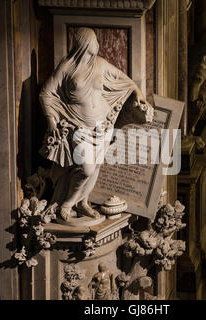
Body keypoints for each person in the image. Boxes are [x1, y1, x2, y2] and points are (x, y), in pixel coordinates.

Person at [39, 27, 153, 221]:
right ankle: (67, 204)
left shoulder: (100, 64)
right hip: (78, 125)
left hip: (103, 124)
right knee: (87, 168)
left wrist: (139, 95)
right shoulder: (67, 66)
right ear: (84, 43)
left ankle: (83, 203)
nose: (96, 45)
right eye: (92, 41)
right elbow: (46, 93)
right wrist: (51, 120)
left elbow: (127, 82)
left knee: (97, 167)